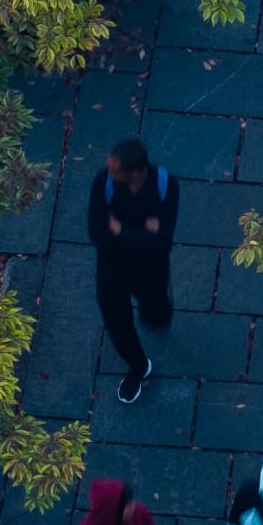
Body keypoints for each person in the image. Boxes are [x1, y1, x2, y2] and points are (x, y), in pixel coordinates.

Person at [89, 138, 179, 405]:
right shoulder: (103, 182)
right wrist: (143, 231)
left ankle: (158, 317)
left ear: (136, 172)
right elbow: (96, 231)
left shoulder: (165, 185)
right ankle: (138, 366)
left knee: (155, 314)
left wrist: (119, 230)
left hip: (150, 270)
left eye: (115, 171)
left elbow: (163, 240)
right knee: (117, 324)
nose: (109, 173)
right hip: (111, 269)